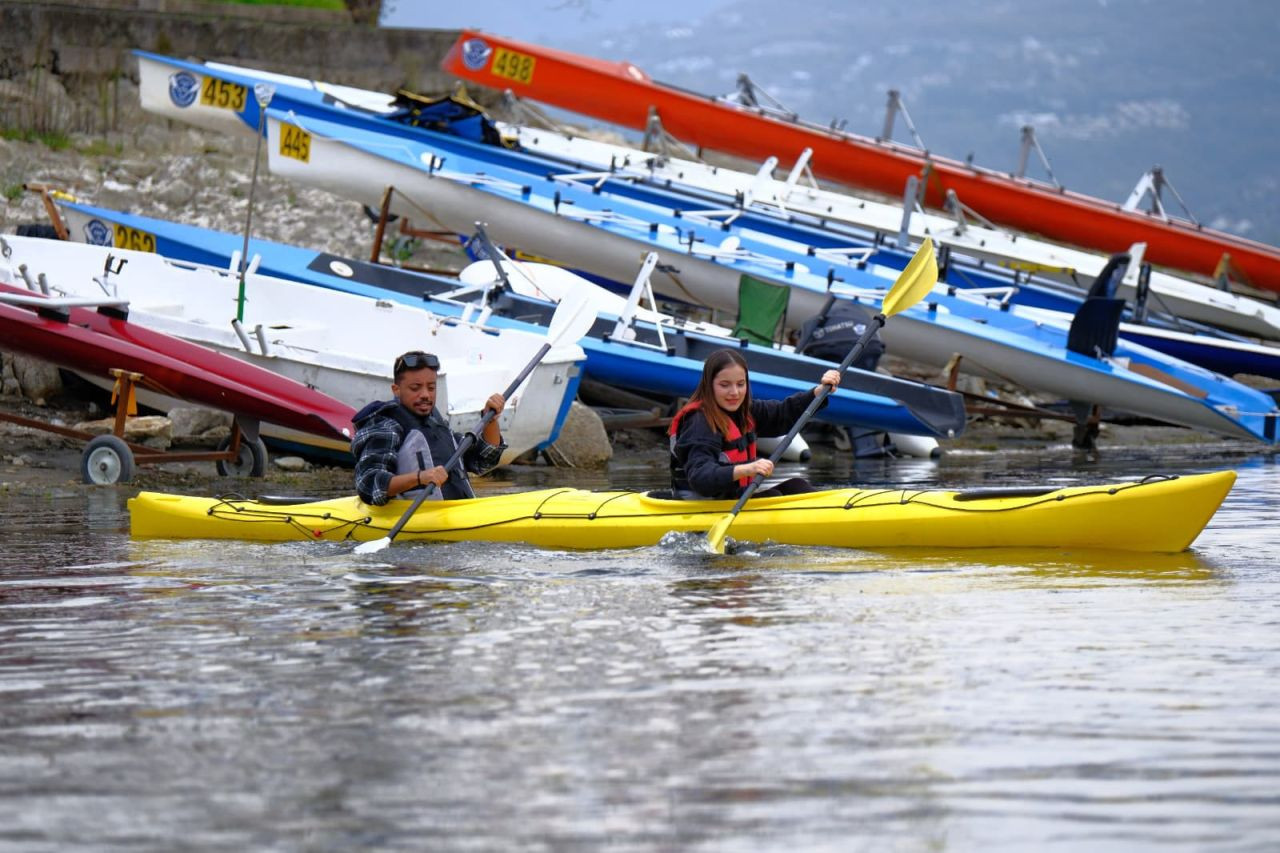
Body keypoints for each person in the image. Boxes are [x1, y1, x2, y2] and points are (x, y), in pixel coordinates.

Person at [669, 348, 841, 500]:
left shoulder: (746, 412)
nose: (734, 392)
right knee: (773, 497)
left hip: (732, 498)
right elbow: (700, 478)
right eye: (724, 385)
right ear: (709, 385)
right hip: (702, 506)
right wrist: (746, 469)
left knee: (796, 485)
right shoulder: (699, 422)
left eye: (740, 384)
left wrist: (818, 393)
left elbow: (783, 413)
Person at [352, 350, 507, 505]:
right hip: (417, 521)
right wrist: (420, 477)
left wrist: (490, 420)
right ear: (396, 390)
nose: (425, 394)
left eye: (431, 388)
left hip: (457, 514)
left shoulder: (436, 425)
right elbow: (369, 484)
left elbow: (484, 460)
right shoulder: (386, 426)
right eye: (415, 388)